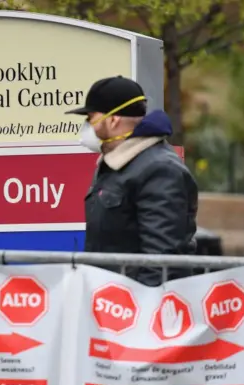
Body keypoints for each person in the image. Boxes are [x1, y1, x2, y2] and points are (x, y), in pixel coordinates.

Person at [66, 76, 199, 286]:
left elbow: (163, 258)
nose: (87, 126)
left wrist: (141, 306)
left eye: (91, 118)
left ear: (113, 120)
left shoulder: (160, 169)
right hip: (113, 302)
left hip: (135, 308)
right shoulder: (117, 163)